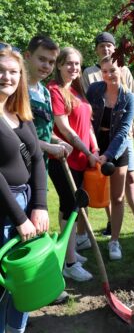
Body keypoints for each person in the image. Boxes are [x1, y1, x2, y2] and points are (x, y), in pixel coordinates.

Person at [0, 45, 49, 332]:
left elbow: (39, 160)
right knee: (5, 285)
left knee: (25, 285)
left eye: (13, 72)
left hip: (28, 204)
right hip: (5, 211)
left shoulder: (20, 113)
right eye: (1, 71)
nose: (7, 77)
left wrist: (40, 206)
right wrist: (19, 218)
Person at [24, 35, 76, 304]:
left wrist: (58, 141)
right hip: (19, 171)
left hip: (39, 168)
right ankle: (30, 291)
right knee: (25, 229)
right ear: (27, 56)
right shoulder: (17, 89)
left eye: (51, 62)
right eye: (41, 59)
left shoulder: (43, 91)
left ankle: (42, 288)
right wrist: (48, 147)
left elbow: (41, 130)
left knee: (39, 227)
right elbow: (21, 135)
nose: (46, 66)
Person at [82, 31, 134, 237]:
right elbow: (87, 112)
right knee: (100, 183)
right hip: (97, 139)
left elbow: (128, 113)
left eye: (109, 46)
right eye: (101, 46)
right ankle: (106, 225)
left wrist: (112, 150)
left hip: (121, 138)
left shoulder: (126, 78)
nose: (105, 49)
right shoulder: (90, 79)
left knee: (128, 180)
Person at [48, 47, 99, 282]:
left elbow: (87, 125)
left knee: (74, 209)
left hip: (81, 160)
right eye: (69, 63)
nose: (74, 68)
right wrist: (86, 151)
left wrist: (95, 150)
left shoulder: (77, 91)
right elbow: (66, 130)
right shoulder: (55, 91)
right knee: (69, 209)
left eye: (77, 64)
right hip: (63, 160)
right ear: (58, 65)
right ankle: (69, 263)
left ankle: (72, 253)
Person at [86, 55, 134, 260]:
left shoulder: (128, 97)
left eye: (112, 70)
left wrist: (108, 155)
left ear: (121, 70)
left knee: (117, 196)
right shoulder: (95, 90)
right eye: (104, 71)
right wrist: (94, 149)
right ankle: (82, 236)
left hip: (117, 147)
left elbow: (124, 131)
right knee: (86, 192)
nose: (108, 75)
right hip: (94, 145)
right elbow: (86, 120)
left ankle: (114, 241)